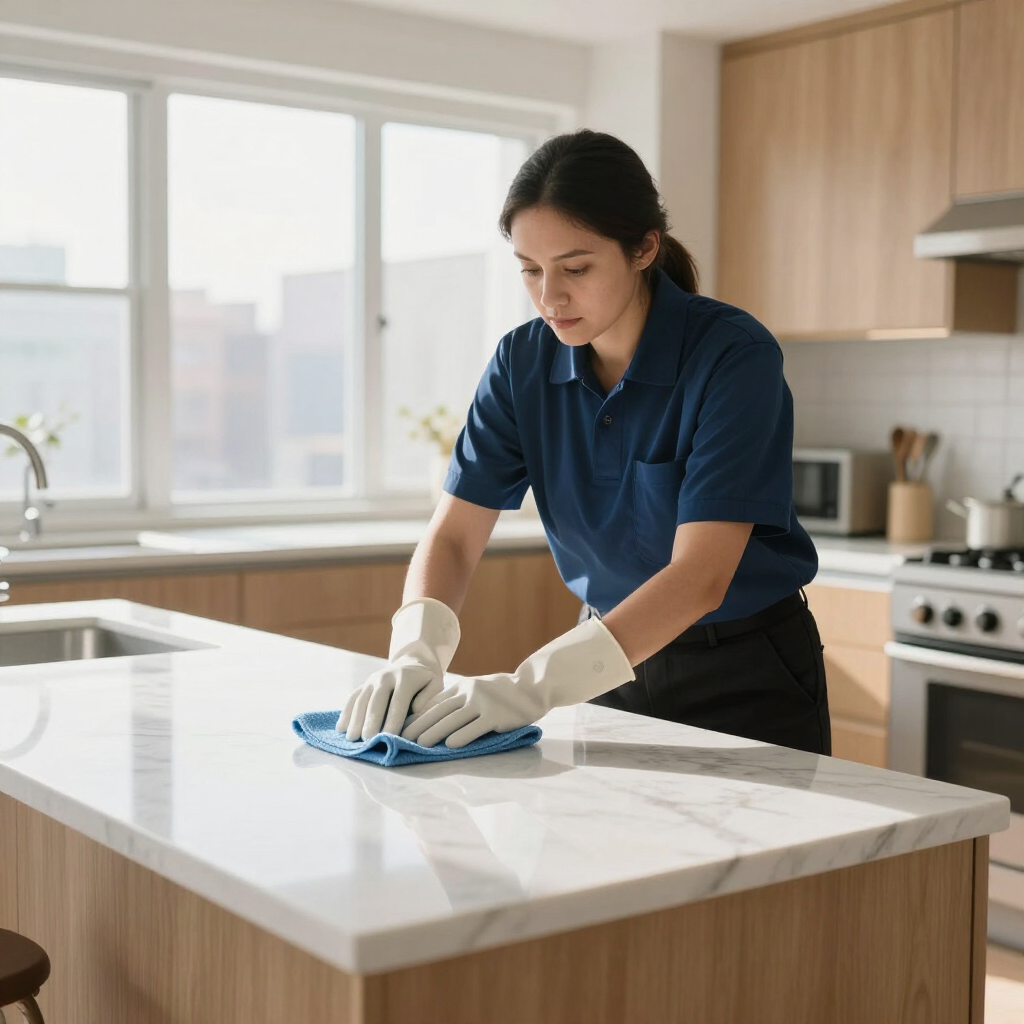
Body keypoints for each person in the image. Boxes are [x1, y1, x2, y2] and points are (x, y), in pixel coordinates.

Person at [337, 129, 830, 756]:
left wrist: (529, 688)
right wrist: (414, 650)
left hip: (746, 676)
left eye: (575, 268)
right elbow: (457, 535)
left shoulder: (732, 357)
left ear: (644, 248)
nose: (550, 296)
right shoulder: (522, 364)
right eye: (530, 270)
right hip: (603, 674)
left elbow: (700, 576)